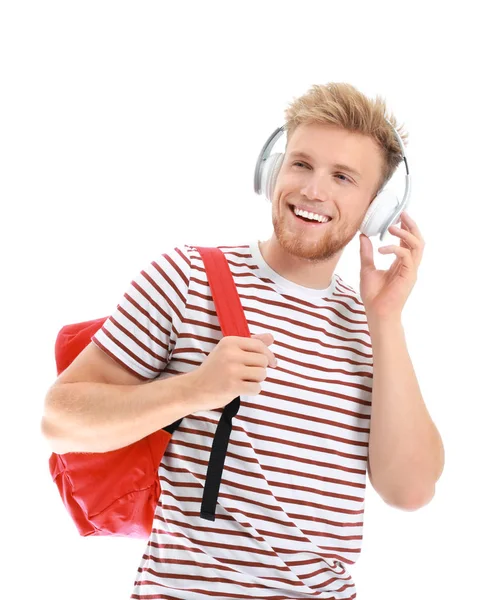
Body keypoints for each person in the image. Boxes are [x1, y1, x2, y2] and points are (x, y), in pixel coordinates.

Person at [42, 82, 445, 600]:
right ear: (273, 172)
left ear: (374, 208)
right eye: (301, 164)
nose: (313, 190)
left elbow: (410, 490)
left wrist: (386, 321)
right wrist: (193, 390)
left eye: (343, 177)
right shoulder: (187, 277)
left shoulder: (372, 329)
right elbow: (59, 420)